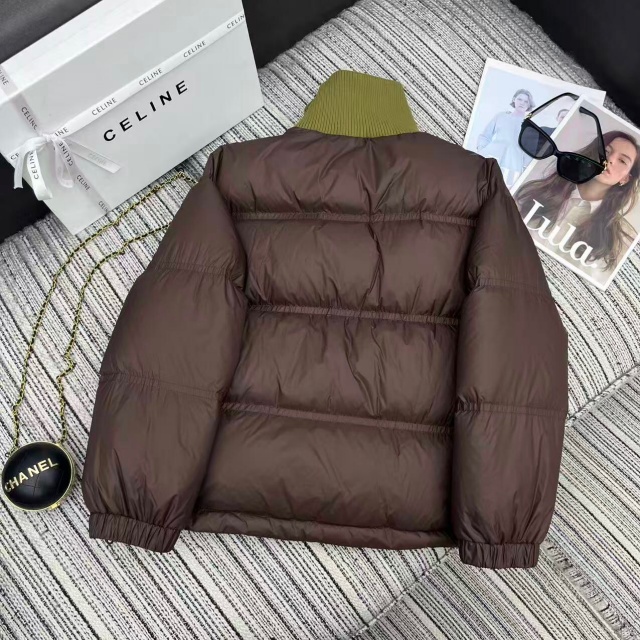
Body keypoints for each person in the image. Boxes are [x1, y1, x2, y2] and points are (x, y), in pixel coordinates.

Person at [514, 130, 639, 281]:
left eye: (622, 161)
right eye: (606, 151)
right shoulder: (538, 191)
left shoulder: (620, 239)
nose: (610, 159)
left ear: (625, 179)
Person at [477, 88, 534, 187]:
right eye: (520, 99)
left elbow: (529, 151)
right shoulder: (501, 116)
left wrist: (525, 168)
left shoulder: (530, 126)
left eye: (526, 101)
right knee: (481, 184)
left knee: (502, 189)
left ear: (529, 105)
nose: (522, 103)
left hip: (512, 165)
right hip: (491, 157)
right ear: (514, 99)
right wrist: (481, 150)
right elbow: (485, 135)